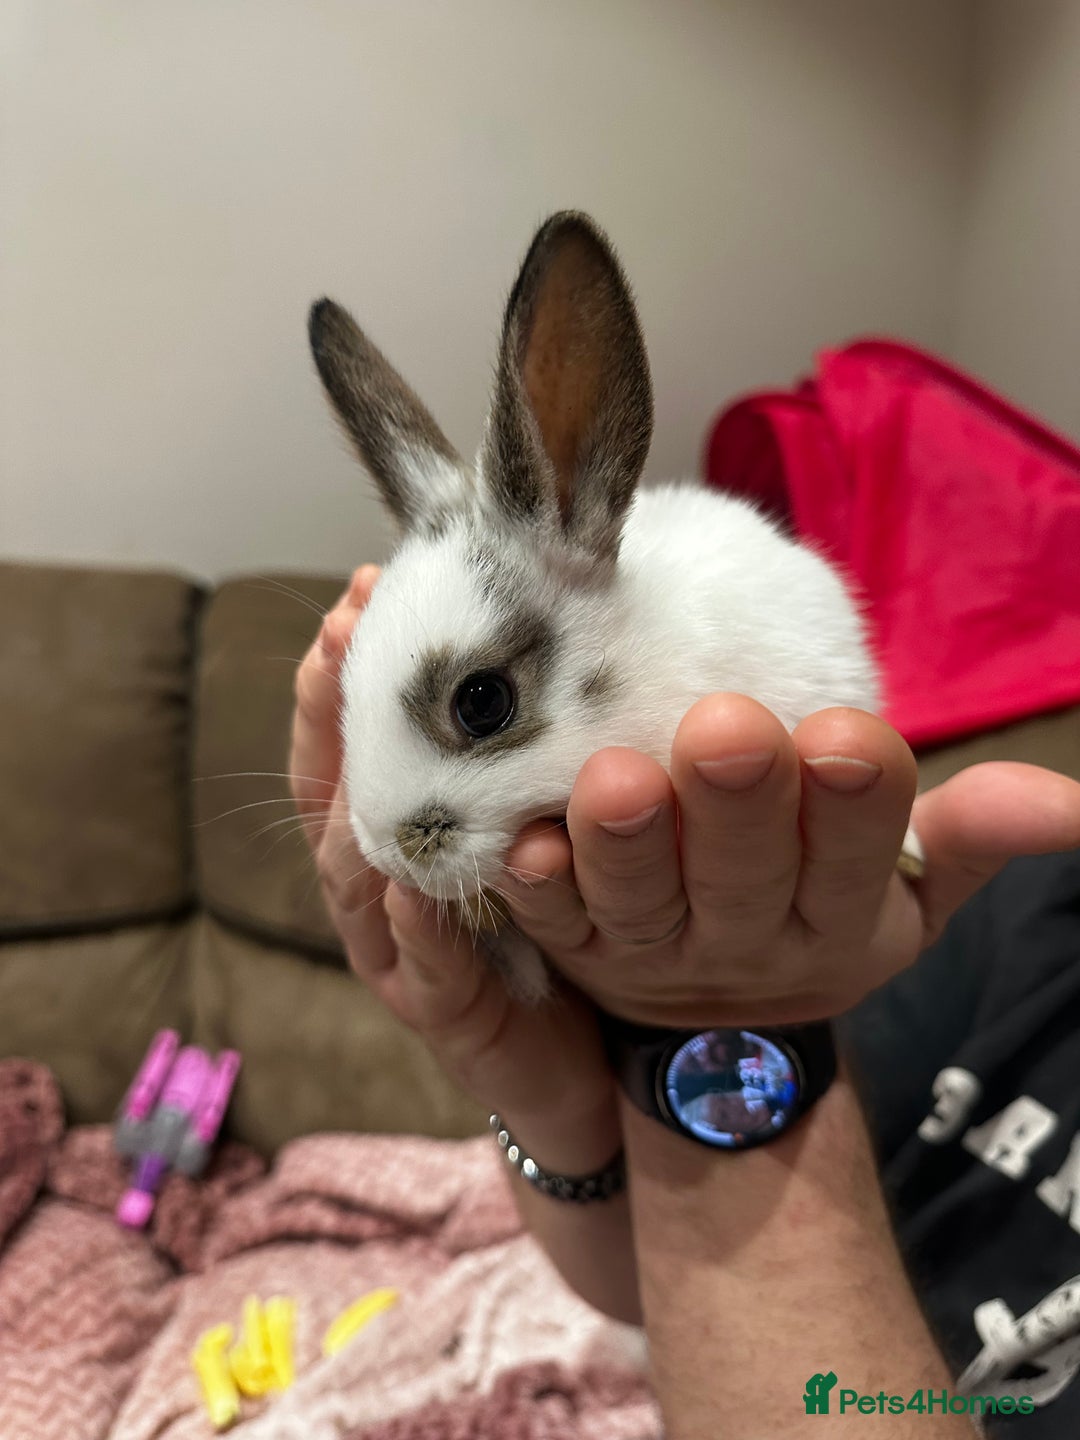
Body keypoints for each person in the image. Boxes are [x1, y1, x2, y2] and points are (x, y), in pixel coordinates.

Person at [291, 566, 1080, 1438]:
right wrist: (554, 1105)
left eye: (481, 705)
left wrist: (711, 1017)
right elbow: (638, 1290)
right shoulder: (1024, 924)